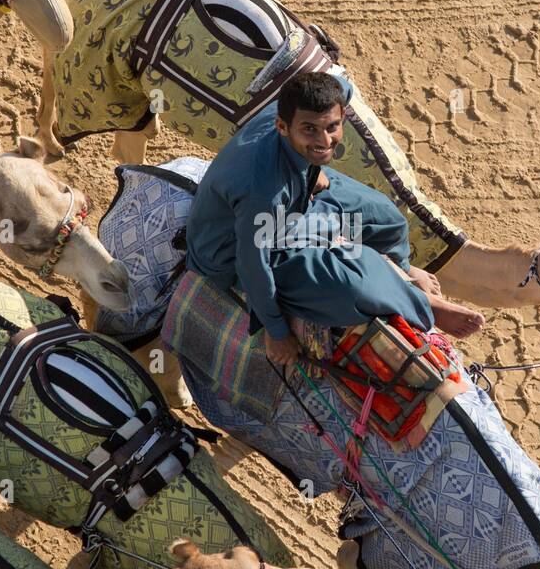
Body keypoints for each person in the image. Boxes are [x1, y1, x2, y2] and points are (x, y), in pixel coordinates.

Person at [186, 71, 483, 367]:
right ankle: (423, 304)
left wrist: (310, 170)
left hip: (300, 200)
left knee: (387, 218)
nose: (324, 140)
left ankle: (400, 270)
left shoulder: (320, 107)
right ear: (282, 126)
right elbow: (252, 265)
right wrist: (275, 331)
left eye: (332, 127)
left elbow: (342, 84)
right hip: (235, 248)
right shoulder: (262, 191)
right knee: (349, 284)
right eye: (310, 130)